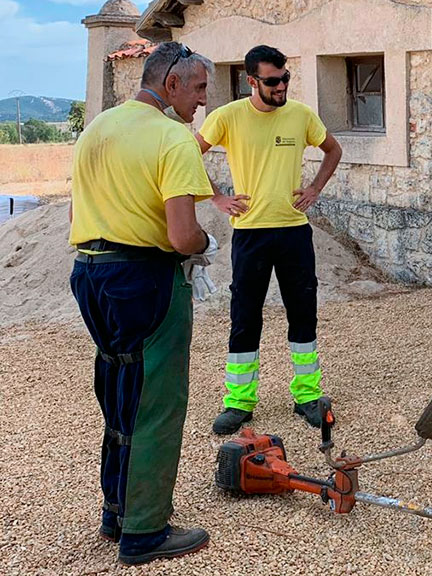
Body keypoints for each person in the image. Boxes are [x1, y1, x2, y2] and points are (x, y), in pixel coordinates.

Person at [69, 42, 217, 565]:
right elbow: (181, 236)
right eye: (199, 87)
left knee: (120, 391)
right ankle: (145, 532)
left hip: (89, 272)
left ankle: (117, 512)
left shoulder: (98, 128)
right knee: (156, 400)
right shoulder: (173, 138)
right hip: (144, 279)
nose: (204, 100)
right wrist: (206, 246)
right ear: (171, 83)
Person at [196, 45, 343, 435]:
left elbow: (333, 149)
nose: (282, 87)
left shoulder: (300, 115)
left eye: (286, 79)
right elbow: (188, 155)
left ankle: (308, 396)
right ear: (252, 81)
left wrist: (314, 187)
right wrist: (217, 196)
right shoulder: (226, 116)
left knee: (303, 312)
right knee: (245, 317)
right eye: (273, 81)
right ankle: (239, 402)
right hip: (250, 235)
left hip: (294, 232)